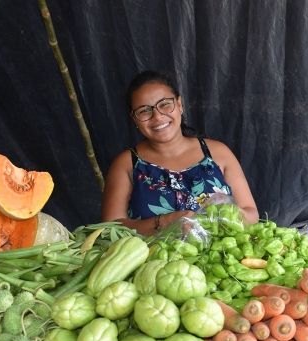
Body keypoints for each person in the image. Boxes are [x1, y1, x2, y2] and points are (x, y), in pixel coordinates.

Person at [101, 70, 259, 236]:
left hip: (223, 257)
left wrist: (221, 217)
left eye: (165, 104)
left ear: (179, 104)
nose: (157, 116)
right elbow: (110, 227)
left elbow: (251, 213)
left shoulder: (218, 152)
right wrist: (164, 222)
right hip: (156, 260)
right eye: (144, 111)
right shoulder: (127, 163)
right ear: (135, 119)